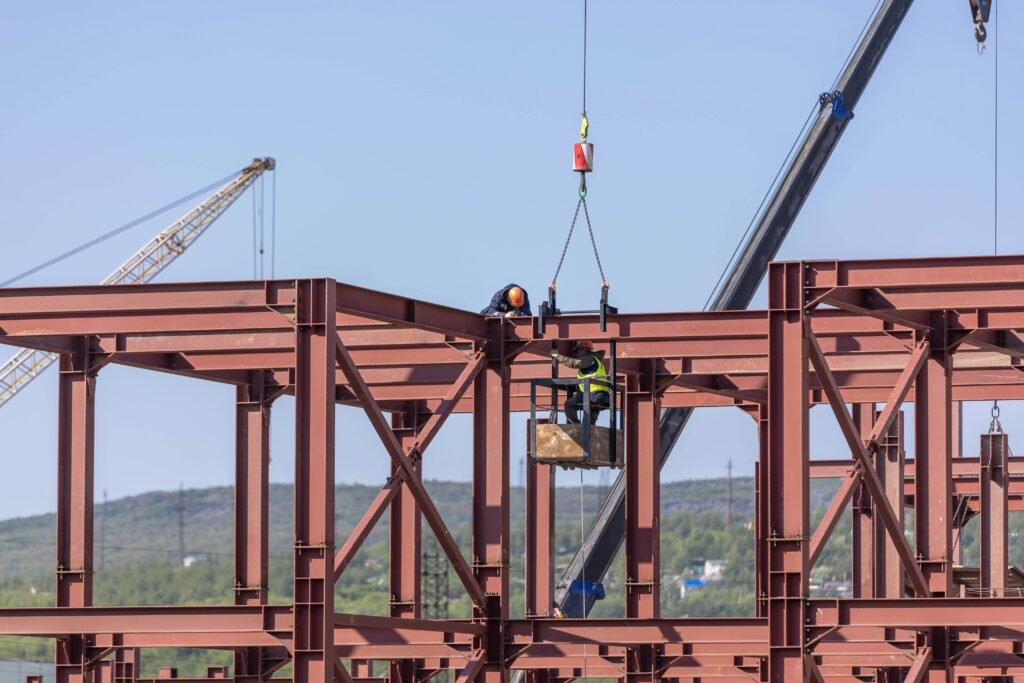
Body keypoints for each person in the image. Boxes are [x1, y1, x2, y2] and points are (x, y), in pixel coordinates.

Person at [550, 340, 612, 425]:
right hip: (601, 396)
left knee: (569, 405)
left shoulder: (590, 359)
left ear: (584, 350)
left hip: (591, 394)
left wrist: (556, 355)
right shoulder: (596, 360)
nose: (576, 354)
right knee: (590, 423)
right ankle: (587, 433)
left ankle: (577, 425)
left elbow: (572, 363)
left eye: (577, 351)